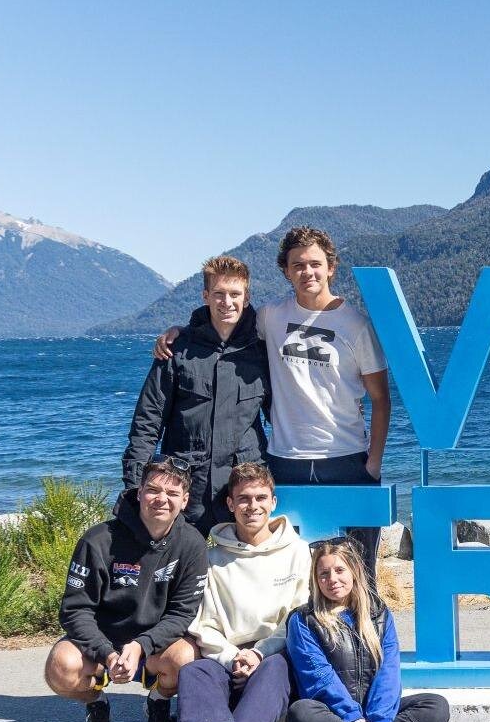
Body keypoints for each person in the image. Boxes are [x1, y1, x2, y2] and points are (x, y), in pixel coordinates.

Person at [156, 226, 392, 573]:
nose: (307, 272)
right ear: (286, 271)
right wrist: (181, 331)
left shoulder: (356, 325)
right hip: (284, 461)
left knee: (357, 567)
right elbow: (225, 319)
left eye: (315, 264)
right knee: (289, 567)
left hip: (346, 458)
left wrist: (373, 463)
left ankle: (366, 612)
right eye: (298, 265)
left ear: (331, 268)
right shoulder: (271, 316)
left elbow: (381, 399)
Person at [43, 459, 208, 722]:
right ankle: (95, 704)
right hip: (101, 643)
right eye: (153, 490)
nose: (161, 499)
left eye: (172, 493)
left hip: (157, 645)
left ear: (184, 501)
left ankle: (158, 701)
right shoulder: (98, 539)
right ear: (139, 492)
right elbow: (75, 610)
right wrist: (107, 653)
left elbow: (183, 613)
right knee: (60, 667)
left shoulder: (192, 543)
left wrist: (142, 644)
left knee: (189, 660)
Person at [172, 463, 312, 722]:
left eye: (261, 498)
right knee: (194, 671)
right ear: (231, 504)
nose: (253, 506)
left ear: (273, 502)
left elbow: (299, 616)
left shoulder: (298, 552)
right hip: (226, 655)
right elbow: (202, 623)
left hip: (273, 655)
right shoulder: (210, 557)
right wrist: (233, 656)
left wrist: (259, 653)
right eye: (244, 499)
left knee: (276, 669)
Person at [122, 255, 269, 535]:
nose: (227, 302)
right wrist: (134, 489)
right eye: (219, 294)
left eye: (235, 294)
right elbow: (147, 424)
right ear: (206, 296)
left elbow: (285, 413)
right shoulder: (177, 351)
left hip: (242, 492)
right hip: (187, 490)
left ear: (247, 297)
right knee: (179, 563)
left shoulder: (262, 351)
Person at [285, 538, 449, 722]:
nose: (332, 579)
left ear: (354, 571)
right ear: (315, 580)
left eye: (339, 570)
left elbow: (389, 671)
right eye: (324, 574)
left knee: (436, 706)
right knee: (300, 713)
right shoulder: (303, 620)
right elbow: (320, 679)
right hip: (332, 718)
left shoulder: (379, 614)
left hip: (373, 717)